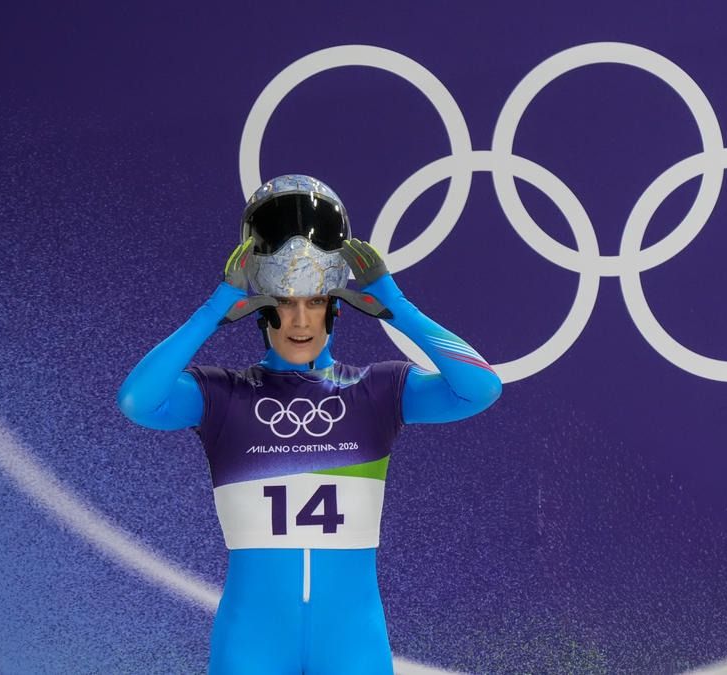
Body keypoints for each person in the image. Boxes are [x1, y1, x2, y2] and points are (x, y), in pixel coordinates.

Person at [117, 175, 501, 674]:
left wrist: (397, 307)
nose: (300, 321)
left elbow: (480, 387)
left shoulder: (376, 391)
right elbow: (137, 400)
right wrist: (213, 310)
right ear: (259, 310)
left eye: (315, 301)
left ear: (336, 308)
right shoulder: (223, 395)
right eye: (283, 302)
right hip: (252, 642)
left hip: (351, 642)